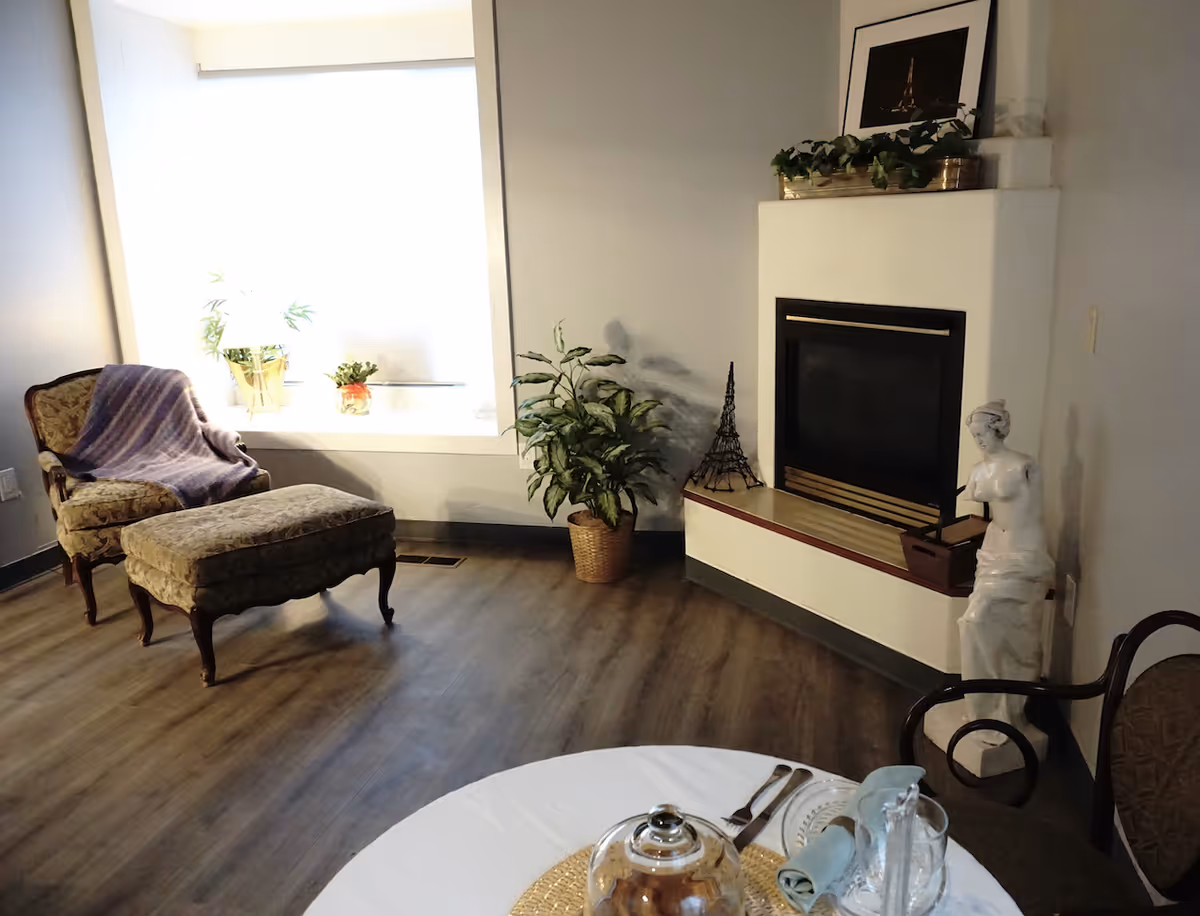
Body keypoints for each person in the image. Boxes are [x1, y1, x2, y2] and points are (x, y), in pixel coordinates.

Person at [959, 400, 1054, 739]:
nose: (979, 441)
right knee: (974, 623)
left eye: (982, 433)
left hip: (1023, 554)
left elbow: (1030, 516)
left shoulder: (1024, 466)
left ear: (998, 428)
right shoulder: (978, 470)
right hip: (994, 549)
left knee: (1019, 632)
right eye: (974, 435)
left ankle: (1009, 710)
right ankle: (982, 709)